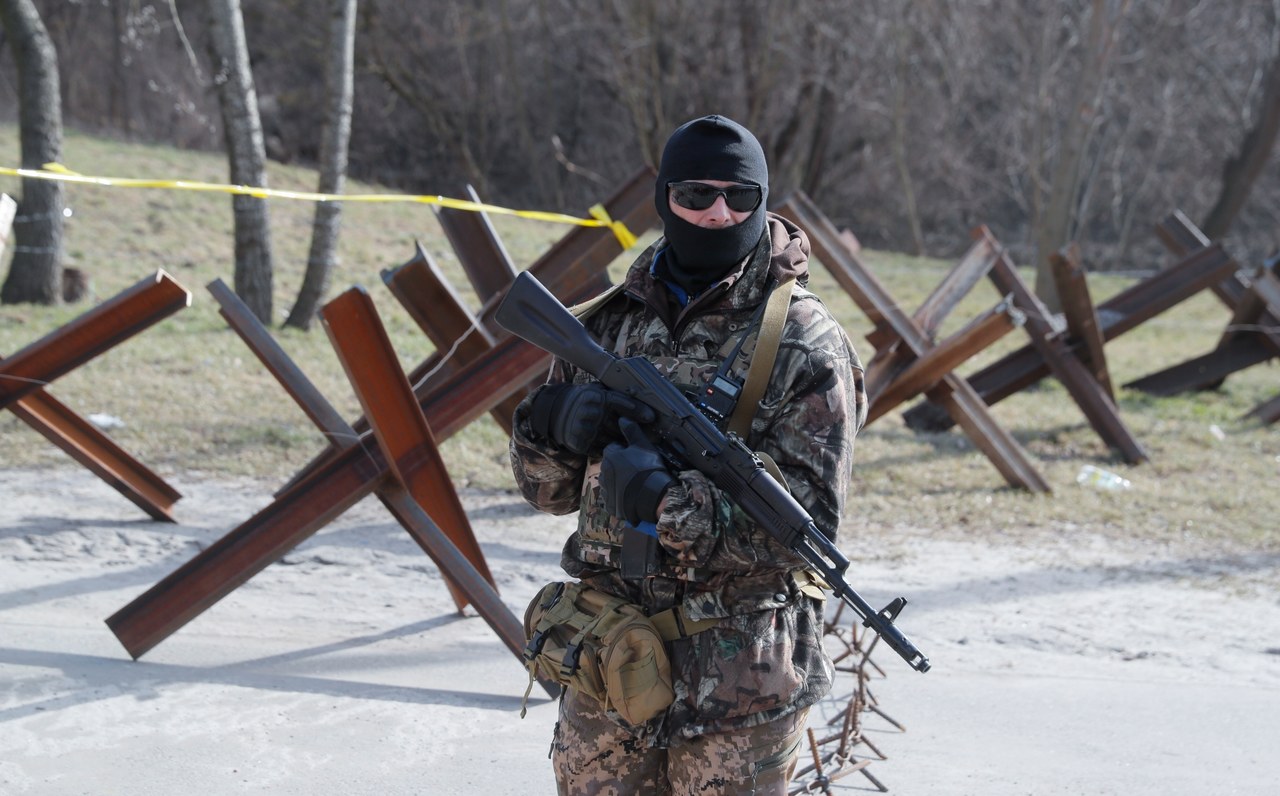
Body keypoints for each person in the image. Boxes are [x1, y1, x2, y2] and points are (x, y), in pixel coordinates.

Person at [509, 114, 867, 795]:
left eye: (739, 197)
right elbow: (543, 491)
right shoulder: (610, 323)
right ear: (665, 199)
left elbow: (809, 526)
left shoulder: (804, 341)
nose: (717, 213)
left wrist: (670, 505)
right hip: (610, 664)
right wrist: (552, 425)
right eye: (695, 195)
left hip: (740, 685)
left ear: (763, 203)